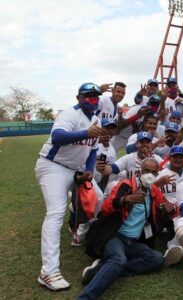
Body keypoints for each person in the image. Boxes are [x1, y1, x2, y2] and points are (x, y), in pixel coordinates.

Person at [35, 82, 106, 290]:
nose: (93, 100)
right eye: (89, 96)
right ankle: (48, 272)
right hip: (52, 166)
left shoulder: (95, 119)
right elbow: (57, 137)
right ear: (79, 98)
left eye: (96, 96)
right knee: (56, 213)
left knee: (99, 198)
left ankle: (82, 235)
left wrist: (90, 170)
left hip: (77, 170)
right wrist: (86, 134)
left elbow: (92, 150)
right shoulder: (70, 114)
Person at [78, 158, 182, 299]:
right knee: (118, 260)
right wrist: (125, 199)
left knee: (156, 259)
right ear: (140, 171)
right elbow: (105, 208)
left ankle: (100, 270)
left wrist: (171, 208)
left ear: (157, 174)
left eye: (153, 172)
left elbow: (172, 210)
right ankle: (85, 297)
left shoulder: (154, 191)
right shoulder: (126, 185)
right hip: (115, 236)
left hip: (133, 242)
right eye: (146, 171)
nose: (149, 175)